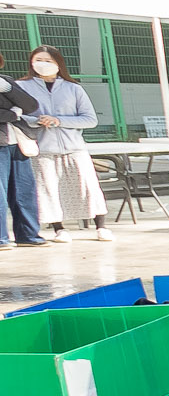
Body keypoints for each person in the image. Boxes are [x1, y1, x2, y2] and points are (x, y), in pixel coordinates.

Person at [20, 47, 110, 243]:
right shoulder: (23, 86)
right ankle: (59, 229)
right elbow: (17, 115)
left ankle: (101, 226)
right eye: (38, 59)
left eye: (48, 60)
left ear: (58, 64)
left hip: (74, 148)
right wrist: (37, 121)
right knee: (49, 191)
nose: (42, 64)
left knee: (87, 187)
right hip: (42, 149)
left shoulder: (73, 88)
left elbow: (89, 119)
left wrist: (59, 120)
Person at [0, 56, 40, 248]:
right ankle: (1, 238)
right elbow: (17, 110)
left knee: (24, 190)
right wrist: (13, 113)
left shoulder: (6, 81)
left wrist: (7, 89)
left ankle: (28, 235)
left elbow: (31, 106)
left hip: (18, 142)